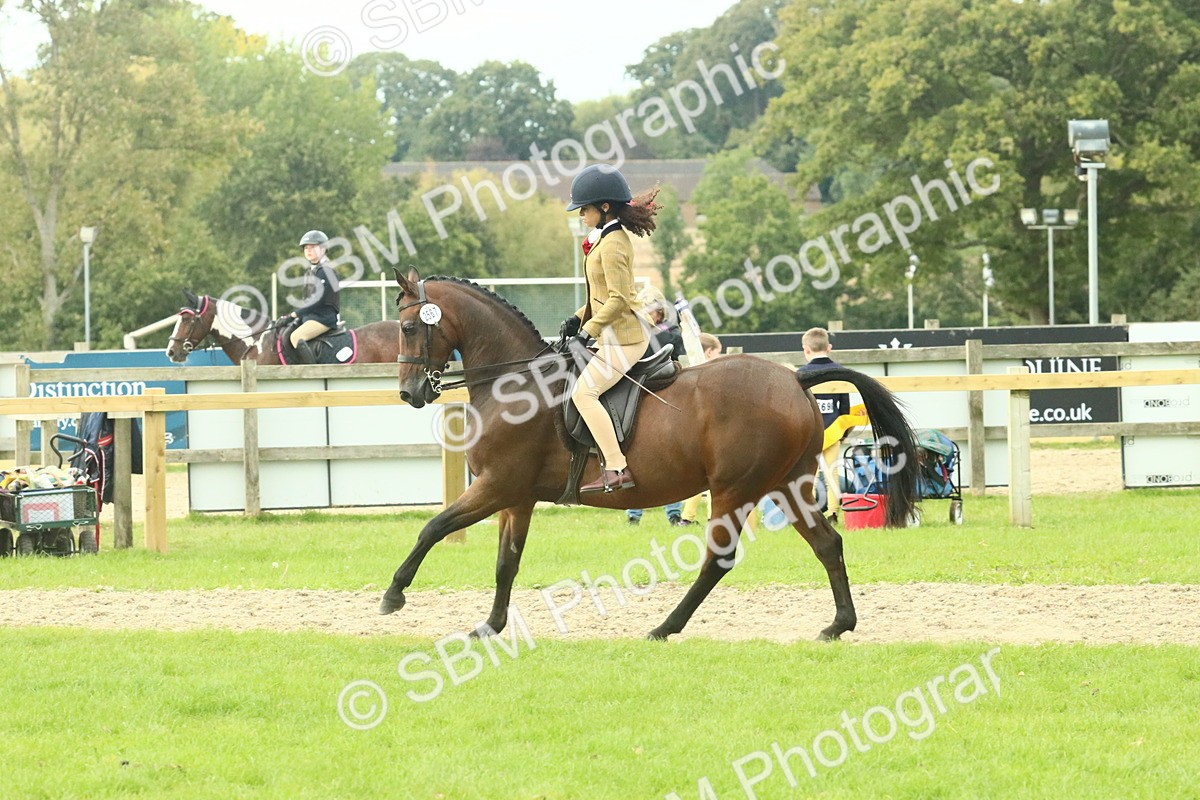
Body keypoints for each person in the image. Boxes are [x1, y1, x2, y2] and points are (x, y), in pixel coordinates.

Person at [561, 164, 659, 494]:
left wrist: (588, 329)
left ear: (604, 207)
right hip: (610, 335)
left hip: (624, 339)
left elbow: (618, 298)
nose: (580, 215)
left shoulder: (614, 243)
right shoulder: (604, 238)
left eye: (584, 209)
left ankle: (618, 468)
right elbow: (601, 294)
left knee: (583, 394)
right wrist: (578, 317)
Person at [797, 327, 850, 518]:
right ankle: (833, 513)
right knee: (832, 474)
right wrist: (844, 432)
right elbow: (845, 407)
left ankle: (810, 514)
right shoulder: (840, 371)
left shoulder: (801, 374)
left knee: (808, 475)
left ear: (806, 350)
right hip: (834, 429)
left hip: (810, 433)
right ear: (829, 347)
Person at [288, 230, 340, 364]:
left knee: (296, 337)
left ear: (323, 249)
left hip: (323, 318)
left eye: (312, 247)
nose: (308, 250)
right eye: (306, 248)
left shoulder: (326, 271)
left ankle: (313, 373)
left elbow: (317, 300)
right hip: (311, 317)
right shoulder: (311, 272)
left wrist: (295, 314)